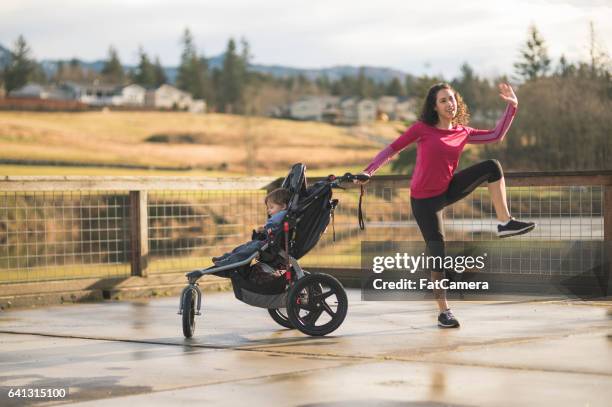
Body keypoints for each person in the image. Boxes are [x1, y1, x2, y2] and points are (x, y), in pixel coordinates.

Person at [357, 82, 536, 328]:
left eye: (451, 99)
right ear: (434, 106)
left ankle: (505, 222)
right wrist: (368, 171)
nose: (449, 103)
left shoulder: (462, 131)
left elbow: (496, 135)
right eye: (443, 100)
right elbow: (392, 149)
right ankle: (444, 311)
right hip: (423, 201)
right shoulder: (422, 129)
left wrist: (512, 107)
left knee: (492, 166)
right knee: (437, 255)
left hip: (447, 190)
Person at [212, 188, 290, 266]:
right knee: (246, 246)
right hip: (268, 242)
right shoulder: (284, 217)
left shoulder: (283, 214)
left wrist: (265, 229)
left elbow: (272, 226)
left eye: (271, 207)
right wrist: (264, 230)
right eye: (268, 208)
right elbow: (274, 228)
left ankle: (228, 260)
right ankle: (227, 258)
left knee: (247, 249)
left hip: (269, 244)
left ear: (283, 206)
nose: (268, 211)